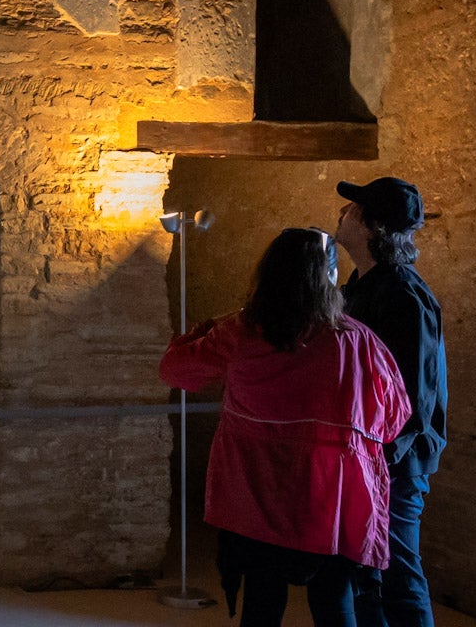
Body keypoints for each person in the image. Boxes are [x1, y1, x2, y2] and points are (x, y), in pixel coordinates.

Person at [160, 228, 412, 627]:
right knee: (335, 605)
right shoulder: (359, 341)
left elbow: (175, 369)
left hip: (260, 494)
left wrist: (205, 328)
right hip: (333, 499)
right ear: (328, 277)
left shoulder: (244, 331)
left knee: (262, 603)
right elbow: (395, 417)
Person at [335, 177, 447, 627]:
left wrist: (381, 459)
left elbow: (414, 397)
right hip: (366, 457)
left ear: (371, 225)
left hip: (393, 464)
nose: (342, 215)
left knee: (398, 577)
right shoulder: (362, 286)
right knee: (365, 578)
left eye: (351, 210)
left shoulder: (403, 295)